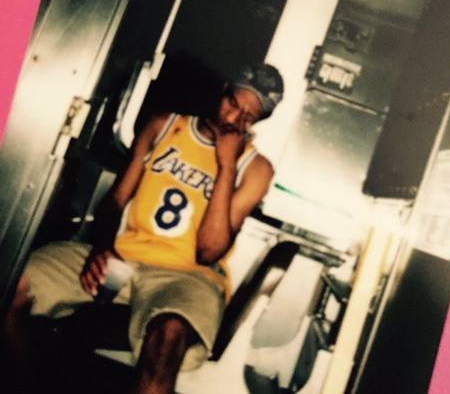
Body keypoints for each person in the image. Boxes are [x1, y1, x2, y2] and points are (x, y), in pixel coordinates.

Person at [1, 63, 284, 394]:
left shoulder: (256, 169)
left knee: (167, 340)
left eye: (249, 116)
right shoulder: (163, 126)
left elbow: (208, 252)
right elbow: (115, 201)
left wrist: (226, 165)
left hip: (189, 277)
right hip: (124, 255)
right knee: (11, 283)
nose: (234, 118)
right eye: (233, 103)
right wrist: (102, 247)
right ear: (223, 90)